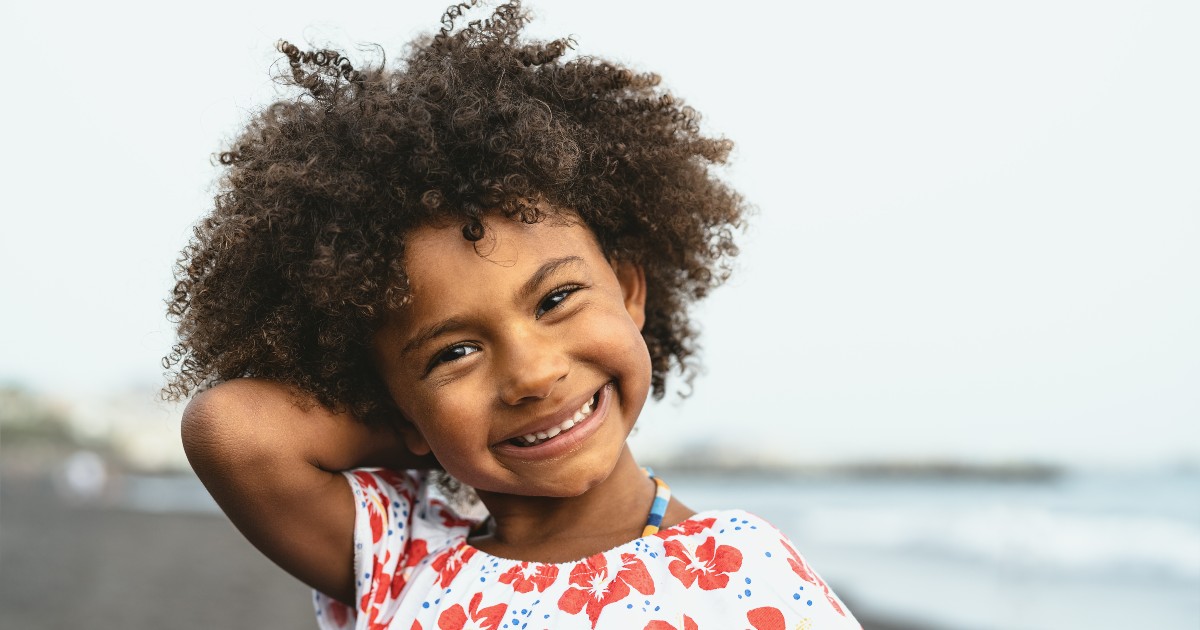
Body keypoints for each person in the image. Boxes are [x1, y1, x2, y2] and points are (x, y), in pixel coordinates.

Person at [166, 2, 861, 628]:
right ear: (398, 410)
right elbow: (230, 430)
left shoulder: (740, 572)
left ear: (628, 289)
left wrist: (441, 409)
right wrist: (427, 421)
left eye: (556, 300)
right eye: (453, 353)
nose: (530, 374)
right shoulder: (406, 557)